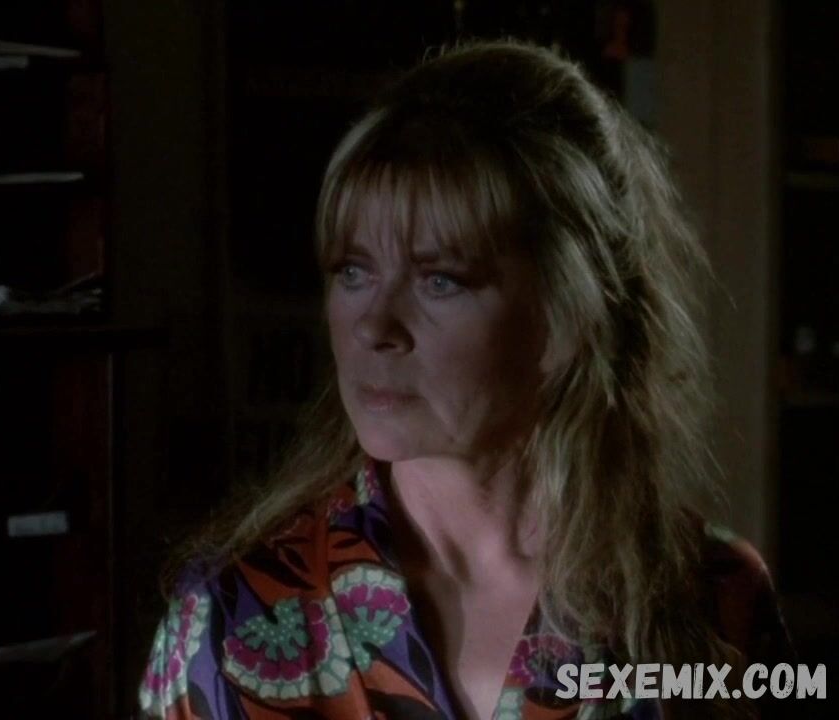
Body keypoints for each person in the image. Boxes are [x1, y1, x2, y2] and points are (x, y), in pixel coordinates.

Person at [137, 40, 796, 720]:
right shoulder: (233, 617)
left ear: (569, 313)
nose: (374, 326)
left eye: (440, 280)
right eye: (353, 271)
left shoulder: (716, 598)